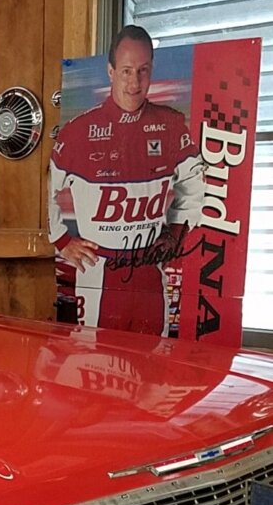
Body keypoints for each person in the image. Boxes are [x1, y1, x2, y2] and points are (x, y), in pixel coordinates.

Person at [48, 25, 204, 336]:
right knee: (95, 366)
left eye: (143, 71)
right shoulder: (78, 131)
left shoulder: (171, 124)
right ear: (110, 71)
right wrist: (61, 239)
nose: (134, 82)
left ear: (152, 71)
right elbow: (49, 188)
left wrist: (175, 232)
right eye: (127, 71)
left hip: (150, 272)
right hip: (98, 271)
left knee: (151, 368)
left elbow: (194, 183)